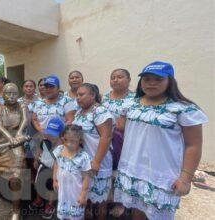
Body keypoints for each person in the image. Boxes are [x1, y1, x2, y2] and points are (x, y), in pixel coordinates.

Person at [114, 61, 208, 220]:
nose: (151, 83)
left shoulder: (183, 109)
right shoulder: (130, 104)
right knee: (137, 210)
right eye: (147, 79)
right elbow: (122, 127)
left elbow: (193, 146)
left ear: (170, 81)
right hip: (132, 170)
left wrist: (185, 178)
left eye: (158, 79)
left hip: (162, 176)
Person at [0, 83, 28, 220]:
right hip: (0, 143)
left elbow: (25, 120)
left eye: (14, 93)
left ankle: (16, 209)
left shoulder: (22, 106)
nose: (11, 96)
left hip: (16, 142)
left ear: (18, 95)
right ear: (2, 95)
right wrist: (9, 137)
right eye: (8, 93)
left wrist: (18, 135)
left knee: (16, 175)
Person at [73, 83, 113, 219]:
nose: (78, 98)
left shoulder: (100, 112)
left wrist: (96, 162)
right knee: (85, 195)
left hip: (98, 161)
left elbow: (106, 137)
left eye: (81, 94)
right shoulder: (79, 112)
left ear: (93, 95)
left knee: (100, 200)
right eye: (77, 95)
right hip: (83, 162)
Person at [101, 69, 135, 217]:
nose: (115, 80)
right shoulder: (104, 97)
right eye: (113, 77)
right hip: (106, 139)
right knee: (108, 169)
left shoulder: (135, 99)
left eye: (120, 77)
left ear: (129, 79)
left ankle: (121, 203)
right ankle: (108, 199)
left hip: (126, 141)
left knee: (122, 171)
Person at [53, 124, 92, 220]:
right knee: (64, 215)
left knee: (76, 216)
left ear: (80, 141)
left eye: (72, 141)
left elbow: (86, 178)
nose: (68, 144)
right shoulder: (59, 150)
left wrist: (83, 195)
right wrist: (55, 180)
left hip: (76, 193)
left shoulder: (83, 157)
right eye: (66, 140)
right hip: (63, 192)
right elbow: (56, 165)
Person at [29, 117, 64, 219]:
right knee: (38, 183)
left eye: (54, 134)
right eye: (49, 133)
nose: (50, 136)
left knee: (51, 187)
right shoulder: (44, 140)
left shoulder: (62, 145)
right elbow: (40, 150)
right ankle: (39, 199)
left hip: (55, 169)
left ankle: (50, 204)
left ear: (61, 134)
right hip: (43, 165)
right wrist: (36, 160)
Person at [18, 80, 41, 182]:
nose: (28, 88)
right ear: (23, 88)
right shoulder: (18, 102)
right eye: (26, 86)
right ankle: (27, 187)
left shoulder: (40, 101)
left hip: (35, 135)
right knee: (24, 160)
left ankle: (36, 184)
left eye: (31, 86)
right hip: (22, 134)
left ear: (34, 88)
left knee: (35, 160)